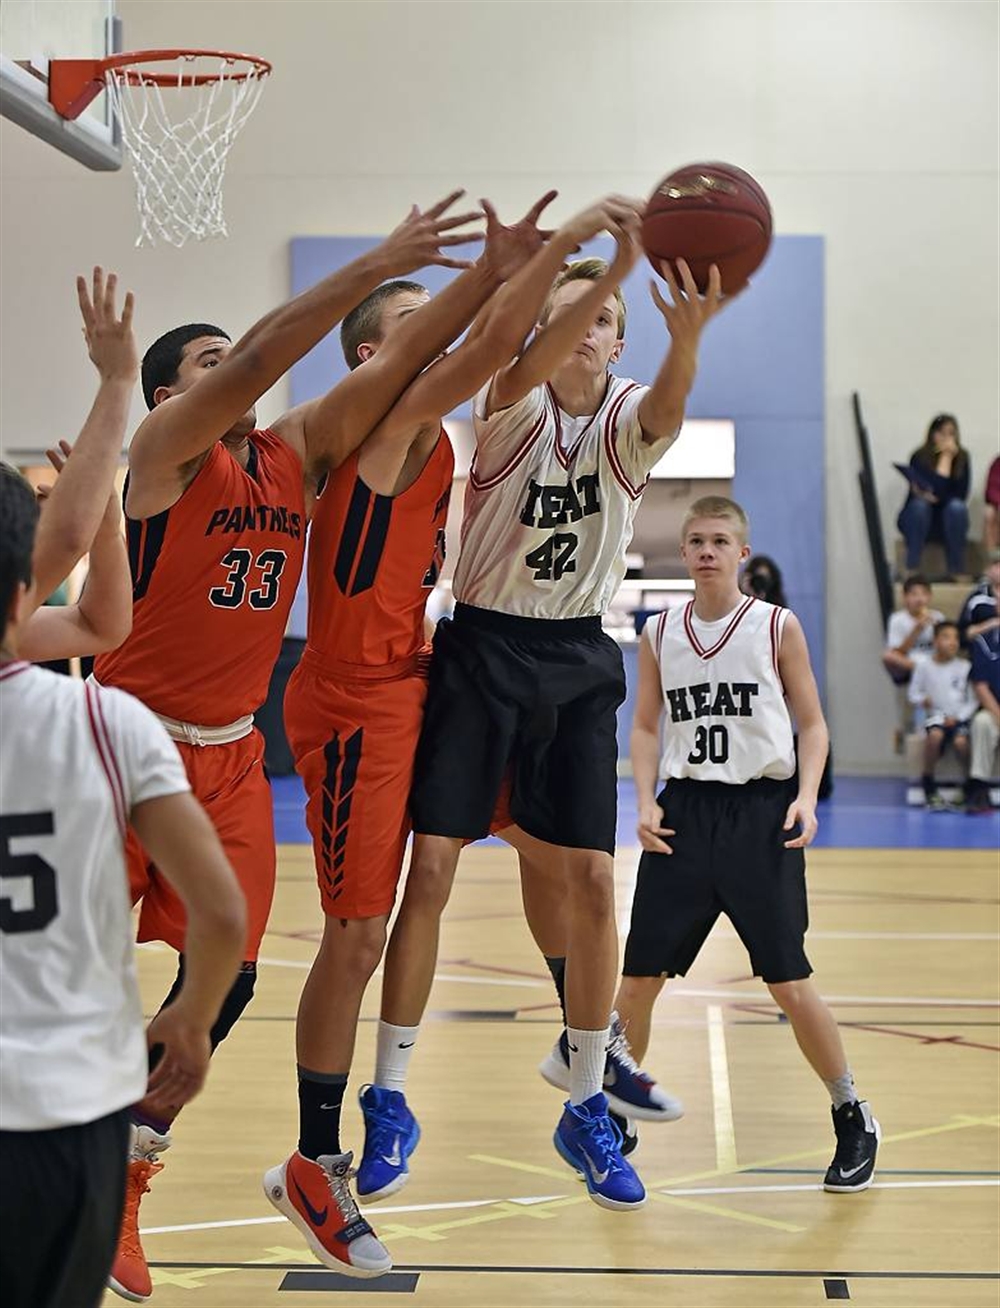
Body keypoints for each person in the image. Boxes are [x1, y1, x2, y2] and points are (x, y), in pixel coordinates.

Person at [92, 194, 486, 1303]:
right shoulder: (163, 452)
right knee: (59, 971)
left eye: (236, 360)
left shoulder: (291, 451)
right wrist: (380, 258)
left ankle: (126, 1171)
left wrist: (481, 281)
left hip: (224, 759)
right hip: (118, 751)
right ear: (174, 390)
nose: (239, 370)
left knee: (225, 986)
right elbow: (273, 348)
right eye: (210, 361)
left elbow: (393, 367)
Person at [265, 194, 664, 1274]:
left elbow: (494, 347)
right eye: (409, 326)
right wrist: (543, 257)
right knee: (365, 926)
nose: (430, 336)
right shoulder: (386, 420)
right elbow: (493, 344)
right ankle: (329, 1145)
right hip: (357, 698)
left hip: (436, 673)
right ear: (367, 356)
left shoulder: (443, 442)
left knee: (563, 855)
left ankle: (587, 1064)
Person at [366, 214, 727, 1214]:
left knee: (589, 879)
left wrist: (685, 331)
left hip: (574, 657)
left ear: (619, 341)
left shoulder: (625, 423)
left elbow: (667, 399)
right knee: (431, 867)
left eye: (603, 317)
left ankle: (582, 1101)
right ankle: (388, 1095)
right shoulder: (513, 409)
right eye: (565, 313)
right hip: (480, 646)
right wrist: (588, 262)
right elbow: (515, 345)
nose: (583, 326)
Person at [0, 465, 246, 1308]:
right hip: (67, 1111)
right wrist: (191, 1018)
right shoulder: (106, 720)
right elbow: (220, 912)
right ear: (26, 591)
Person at [614, 494, 881, 1193]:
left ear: (742, 552)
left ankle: (852, 1112)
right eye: (696, 540)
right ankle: (616, 1109)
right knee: (637, 980)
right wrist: (642, 801)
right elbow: (644, 727)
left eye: (719, 540)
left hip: (760, 814)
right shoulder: (659, 631)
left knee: (790, 983)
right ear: (685, 551)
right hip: (685, 812)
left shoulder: (774, 627)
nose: (706, 551)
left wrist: (805, 796)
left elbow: (813, 725)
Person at [907, 621, 977, 810]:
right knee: (935, 736)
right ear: (936, 641)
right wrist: (923, 700)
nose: (952, 642)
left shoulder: (964, 667)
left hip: (958, 718)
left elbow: (972, 701)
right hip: (935, 717)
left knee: (961, 742)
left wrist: (959, 717)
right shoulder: (923, 666)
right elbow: (913, 693)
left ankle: (968, 783)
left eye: (955, 638)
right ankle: (928, 782)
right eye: (946, 637)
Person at [896, 414, 970, 579]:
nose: (946, 438)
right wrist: (926, 495)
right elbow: (924, 488)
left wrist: (947, 458)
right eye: (941, 433)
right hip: (918, 519)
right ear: (932, 434)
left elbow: (960, 494)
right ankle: (912, 567)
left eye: (951, 433)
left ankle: (956, 568)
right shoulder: (919, 456)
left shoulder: (962, 458)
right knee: (920, 506)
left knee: (957, 508)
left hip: (947, 521)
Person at [882, 574, 944, 686]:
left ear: (929, 596)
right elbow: (898, 652)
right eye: (914, 594)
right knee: (888, 656)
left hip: (932, 660)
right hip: (910, 664)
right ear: (905, 597)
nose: (919, 599)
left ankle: (929, 671)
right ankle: (925, 671)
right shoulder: (897, 619)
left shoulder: (937, 617)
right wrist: (917, 630)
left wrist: (938, 631)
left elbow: (945, 647)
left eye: (924, 594)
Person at [965, 621, 1000, 813]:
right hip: (994, 708)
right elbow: (981, 685)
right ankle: (979, 787)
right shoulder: (984, 641)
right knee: (982, 722)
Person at [957, 549, 1000, 646]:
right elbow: (962, 635)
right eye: (996, 565)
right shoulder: (977, 599)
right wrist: (990, 624)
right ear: (987, 571)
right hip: (984, 653)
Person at [983, 455, 1000, 552]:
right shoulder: (998, 463)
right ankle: (994, 557)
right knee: (989, 513)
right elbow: (991, 488)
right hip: (997, 502)